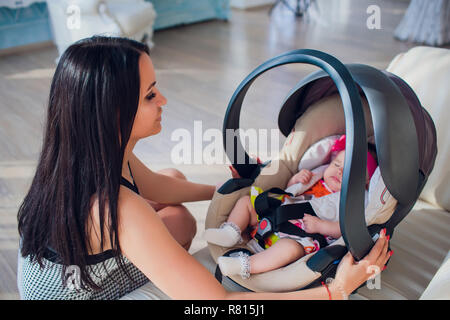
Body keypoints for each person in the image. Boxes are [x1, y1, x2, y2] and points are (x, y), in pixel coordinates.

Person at [17, 36, 391, 300]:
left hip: (55, 267)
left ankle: (146, 244)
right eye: (150, 95)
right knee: (177, 227)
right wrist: (334, 291)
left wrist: (230, 190)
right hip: (67, 293)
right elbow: (217, 302)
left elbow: (157, 189)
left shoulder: (94, 150)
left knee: (176, 194)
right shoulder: (118, 208)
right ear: (113, 113)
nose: (163, 99)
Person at [204, 136, 378, 279]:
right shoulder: (316, 176)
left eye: (348, 171)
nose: (339, 171)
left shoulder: (355, 201)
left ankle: (245, 264)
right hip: (274, 216)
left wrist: (321, 226)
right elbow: (288, 194)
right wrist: (295, 181)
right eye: (337, 164)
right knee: (247, 202)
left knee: (290, 250)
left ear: (365, 182)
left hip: (302, 235)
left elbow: (347, 228)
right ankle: (231, 232)